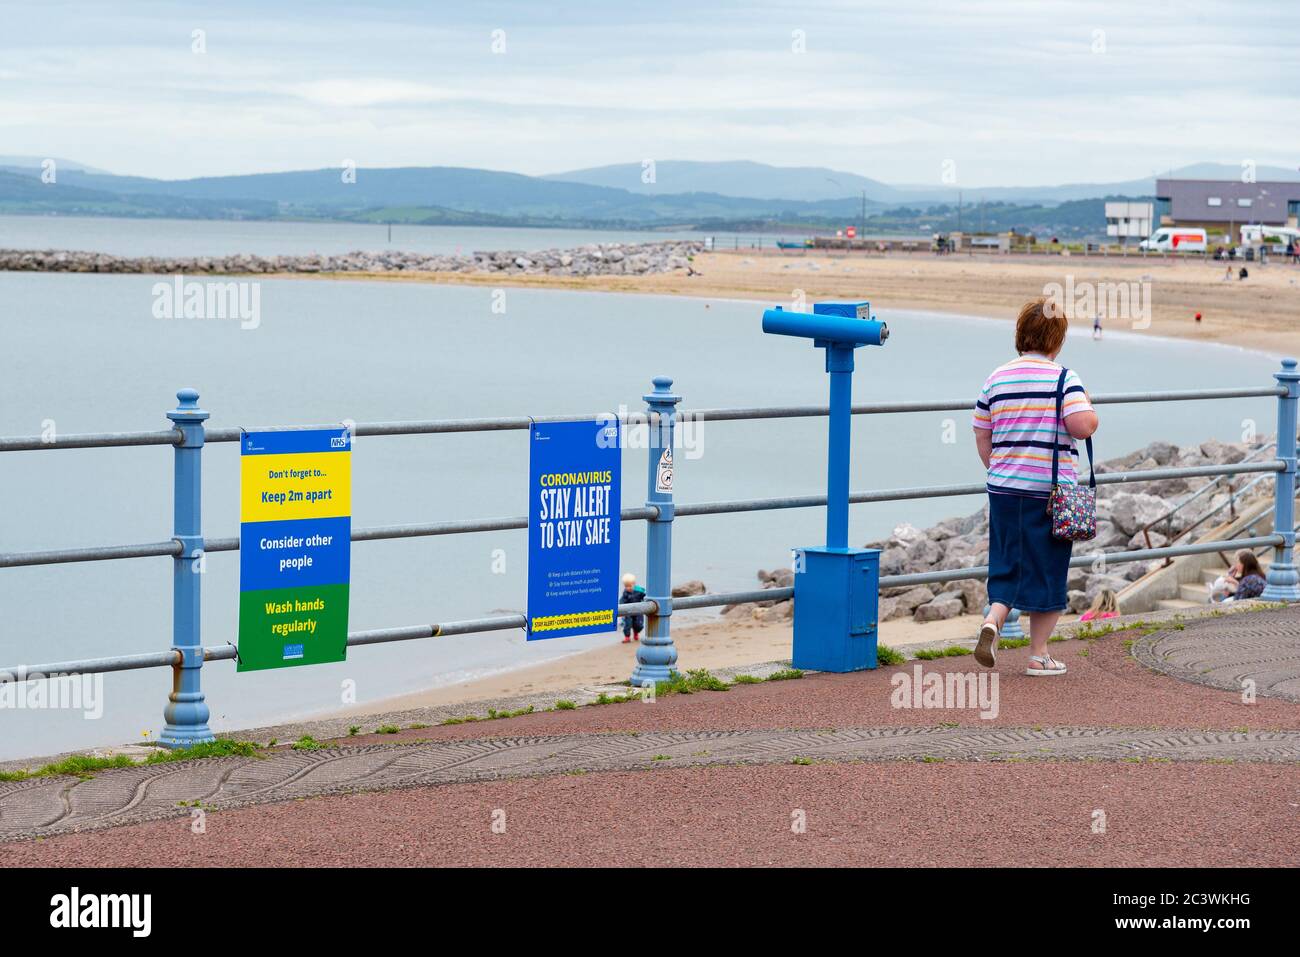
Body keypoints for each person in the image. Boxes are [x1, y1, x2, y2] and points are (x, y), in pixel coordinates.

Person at [972, 297, 1099, 676]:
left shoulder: (996, 377)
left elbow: (982, 433)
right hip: (1049, 494)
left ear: (1020, 334)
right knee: (1047, 569)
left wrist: (1000, 468)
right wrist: (1090, 409)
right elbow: (1082, 426)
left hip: (1004, 489)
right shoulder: (1064, 378)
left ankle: (993, 619)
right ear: (1056, 340)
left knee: (1008, 562)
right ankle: (1038, 654)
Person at [619, 572, 646, 643]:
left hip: (638, 610)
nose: (628, 588)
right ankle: (627, 637)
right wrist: (621, 607)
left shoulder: (639, 592)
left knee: (638, 624)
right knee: (627, 624)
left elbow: (645, 596)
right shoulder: (625, 593)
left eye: (630, 586)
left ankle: (636, 633)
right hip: (628, 611)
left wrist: (645, 596)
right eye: (626, 586)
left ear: (634, 584)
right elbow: (622, 600)